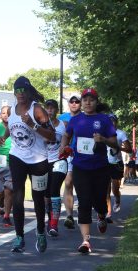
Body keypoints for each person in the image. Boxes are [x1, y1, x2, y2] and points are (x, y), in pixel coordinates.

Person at [0, 76, 55, 253]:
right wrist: (5, 136)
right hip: (17, 157)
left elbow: (52, 136)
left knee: (38, 199)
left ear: (29, 92)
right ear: (14, 93)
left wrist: (33, 125)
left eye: (24, 90)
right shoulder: (12, 110)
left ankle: (40, 232)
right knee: (17, 196)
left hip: (38, 160)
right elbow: (12, 125)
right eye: (17, 90)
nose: (20, 94)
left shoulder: (37, 110)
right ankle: (19, 237)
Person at [60, 88, 118, 254]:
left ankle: (101, 214)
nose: (87, 102)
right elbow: (67, 135)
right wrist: (64, 145)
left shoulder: (104, 120)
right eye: (84, 99)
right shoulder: (75, 120)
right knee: (84, 202)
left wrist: (103, 139)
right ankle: (86, 241)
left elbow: (114, 143)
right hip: (80, 167)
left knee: (99, 200)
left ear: (96, 102)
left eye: (91, 99)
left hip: (100, 167)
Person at [58, 95, 82, 229]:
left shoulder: (85, 118)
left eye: (77, 101)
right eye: (71, 101)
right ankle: (69, 215)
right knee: (68, 182)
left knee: (80, 183)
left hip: (81, 154)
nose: (74, 103)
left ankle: (82, 206)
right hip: (66, 154)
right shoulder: (61, 118)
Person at [44, 99, 68, 237]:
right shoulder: (40, 125)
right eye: (47, 108)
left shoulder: (64, 125)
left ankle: (54, 224)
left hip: (60, 160)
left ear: (57, 110)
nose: (50, 110)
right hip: (43, 161)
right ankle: (50, 216)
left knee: (54, 189)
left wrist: (66, 147)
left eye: (52, 108)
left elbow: (70, 137)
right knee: (45, 194)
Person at [106, 114, 132, 223]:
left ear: (116, 122)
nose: (112, 123)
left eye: (114, 121)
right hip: (104, 163)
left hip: (116, 163)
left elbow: (129, 149)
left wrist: (118, 147)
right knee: (106, 190)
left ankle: (117, 198)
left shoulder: (121, 134)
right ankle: (108, 213)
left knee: (114, 188)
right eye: (110, 121)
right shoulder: (103, 133)